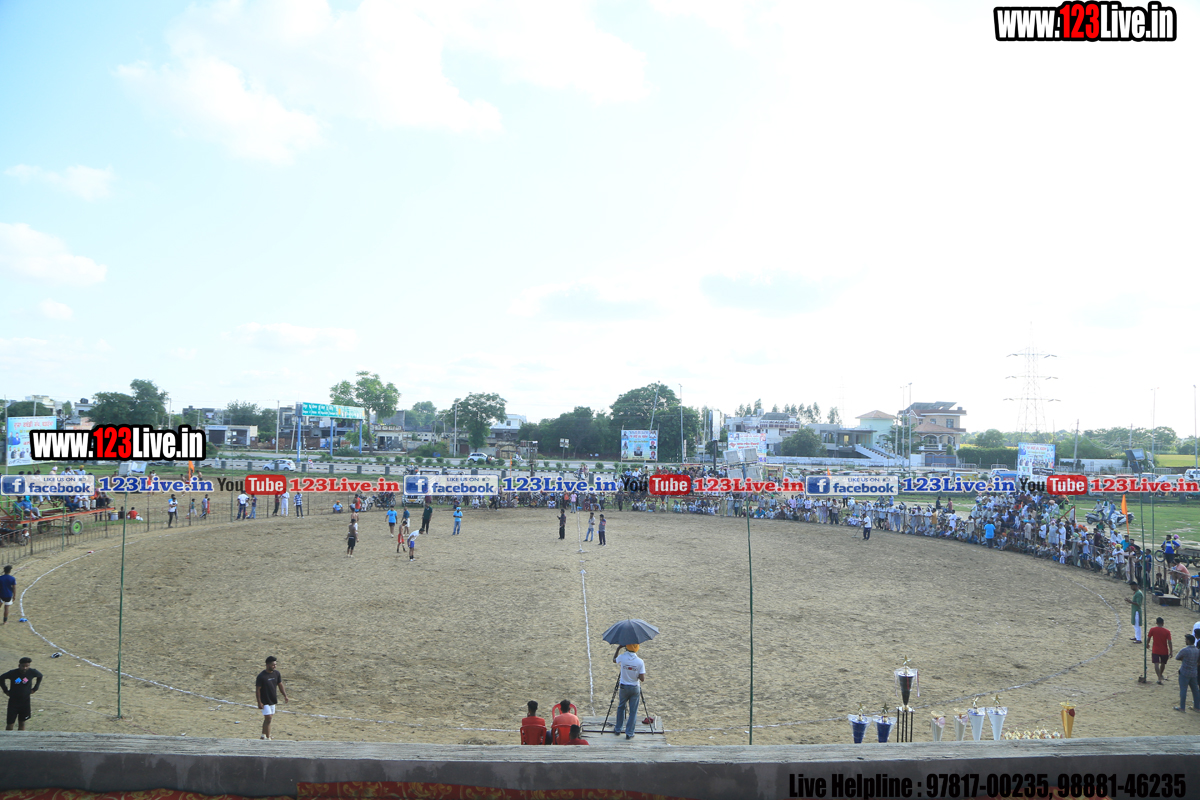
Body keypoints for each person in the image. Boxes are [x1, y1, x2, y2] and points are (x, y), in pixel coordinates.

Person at [613, 643, 646, 739]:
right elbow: (642, 679)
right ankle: (629, 733)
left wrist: (618, 649)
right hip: (634, 687)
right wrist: (635, 674)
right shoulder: (640, 661)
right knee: (633, 711)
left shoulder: (623, 657)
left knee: (621, 707)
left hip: (624, 686)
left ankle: (618, 729)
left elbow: (614, 660)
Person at [2, 657, 42, 731]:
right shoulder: (13, 673)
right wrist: (5, 690)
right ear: (19, 665)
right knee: (10, 723)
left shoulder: (32, 672)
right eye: (23, 666)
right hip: (13, 702)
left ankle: (20, 737)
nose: (25, 668)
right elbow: (1, 678)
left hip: (25, 702)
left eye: (27, 666)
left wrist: (35, 688)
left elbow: (40, 676)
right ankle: (8, 737)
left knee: (22, 723)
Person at [255, 656, 288, 739]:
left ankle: (263, 735)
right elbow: (258, 690)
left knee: (268, 719)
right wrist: (259, 702)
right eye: (273, 665)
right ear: (267, 665)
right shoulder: (261, 676)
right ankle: (268, 737)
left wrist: (285, 695)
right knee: (268, 718)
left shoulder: (276, 674)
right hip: (264, 700)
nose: (275, 666)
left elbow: (280, 685)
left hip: (272, 699)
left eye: (275, 665)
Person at [1175, 633, 1200, 712]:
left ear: (1188, 641)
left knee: (1183, 690)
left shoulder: (1185, 650)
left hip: (1184, 672)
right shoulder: (1197, 650)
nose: (1185, 641)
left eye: (1186, 640)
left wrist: (1184, 659)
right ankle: (1197, 707)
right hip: (1194, 672)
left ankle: (1182, 707)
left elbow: (1177, 657)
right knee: (1195, 691)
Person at [1147, 617, 1173, 685]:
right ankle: (1160, 675)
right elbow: (1169, 642)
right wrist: (1171, 651)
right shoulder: (1167, 631)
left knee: (1156, 664)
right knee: (1163, 663)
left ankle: (1159, 677)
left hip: (1155, 649)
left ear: (1156, 623)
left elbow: (1148, 638)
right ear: (1163, 623)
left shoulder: (1152, 629)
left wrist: (1147, 644)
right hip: (1164, 650)